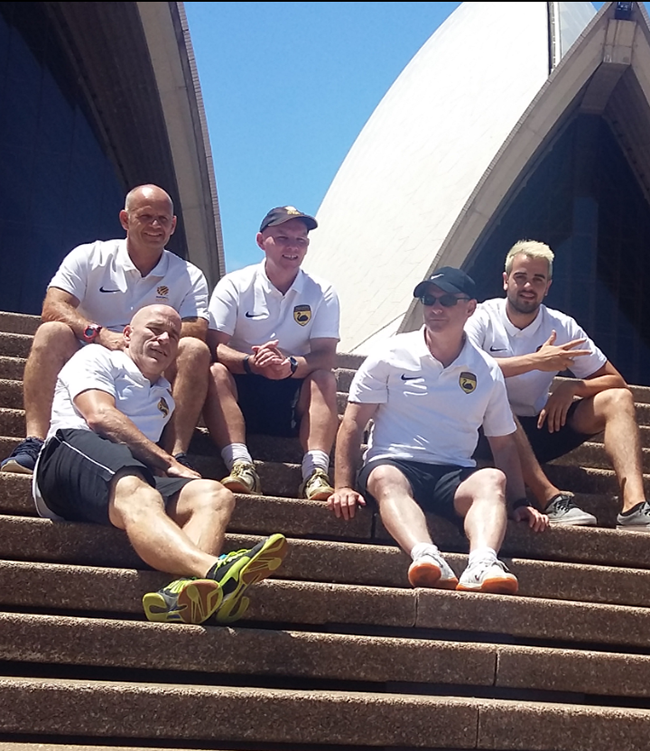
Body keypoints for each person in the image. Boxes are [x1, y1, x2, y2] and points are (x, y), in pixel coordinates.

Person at [32, 304, 287, 625]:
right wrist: (168, 462)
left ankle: (182, 595)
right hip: (68, 457)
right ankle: (215, 570)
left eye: (173, 335)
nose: (164, 339)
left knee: (213, 494)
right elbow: (98, 415)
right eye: (154, 330)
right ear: (127, 335)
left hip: (123, 478)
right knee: (136, 487)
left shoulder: (163, 393)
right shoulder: (96, 358)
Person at [328, 267, 548, 594]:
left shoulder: (486, 370)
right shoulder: (390, 354)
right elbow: (353, 423)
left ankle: (482, 564)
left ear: (470, 308)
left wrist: (518, 501)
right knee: (385, 477)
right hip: (393, 463)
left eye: (446, 300)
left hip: (454, 473)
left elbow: (502, 445)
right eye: (428, 299)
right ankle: (426, 557)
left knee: (492, 479)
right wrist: (343, 485)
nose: (435, 307)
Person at [2, 184, 211, 475]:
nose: (155, 225)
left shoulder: (189, 275)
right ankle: (35, 442)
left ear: (173, 225)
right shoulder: (90, 256)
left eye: (163, 219)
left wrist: (141, 342)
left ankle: (175, 454)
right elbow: (53, 305)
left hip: (150, 363)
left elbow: (197, 329)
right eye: (146, 216)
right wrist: (98, 334)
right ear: (125, 219)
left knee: (196, 350)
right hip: (90, 352)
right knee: (51, 332)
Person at [465, 239, 650, 531]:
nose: (529, 285)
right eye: (521, 277)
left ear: (547, 287)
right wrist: (536, 361)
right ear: (505, 281)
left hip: (538, 428)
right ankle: (550, 499)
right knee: (494, 397)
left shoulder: (561, 326)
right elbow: (466, 373)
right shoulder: (481, 319)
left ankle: (634, 507)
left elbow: (617, 382)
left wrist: (572, 388)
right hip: (482, 435)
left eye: (537, 279)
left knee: (617, 400)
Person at [203, 206, 340, 500]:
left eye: (300, 240)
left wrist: (289, 365)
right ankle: (241, 464)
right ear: (260, 240)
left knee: (325, 379)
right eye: (282, 238)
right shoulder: (235, 285)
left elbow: (326, 355)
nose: (292, 247)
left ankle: (316, 472)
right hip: (243, 384)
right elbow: (214, 345)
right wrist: (252, 363)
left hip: (291, 389)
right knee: (214, 371)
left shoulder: (322, 291)